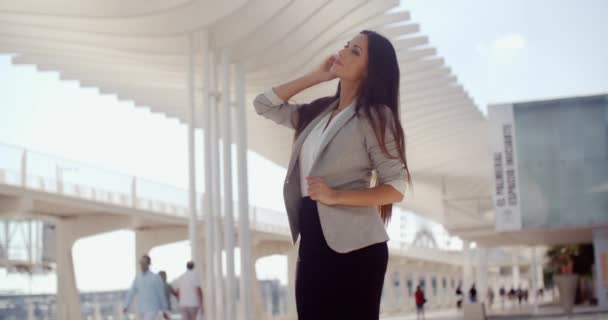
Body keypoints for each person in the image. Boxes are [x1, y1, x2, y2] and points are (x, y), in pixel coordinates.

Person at [253, 30, 410, 320]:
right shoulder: (317, 112)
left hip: (357, 246)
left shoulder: (375, 116)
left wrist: (336, 195)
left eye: (355, 52)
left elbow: (396, 186)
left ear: (370, 70)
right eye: (346, 46)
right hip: (312, 237)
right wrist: (317, 76)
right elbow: (263, 104)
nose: (344, 52)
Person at [124, 255, 169, 320]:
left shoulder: (156, 278)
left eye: (144, 263)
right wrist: (126, 305)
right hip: (141, 310)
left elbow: (161, 295)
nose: (142, 265)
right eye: (141, 262)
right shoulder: (137, 278)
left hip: (152, 310)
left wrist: (164, 310)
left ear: (148, 264)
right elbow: (131, 292)